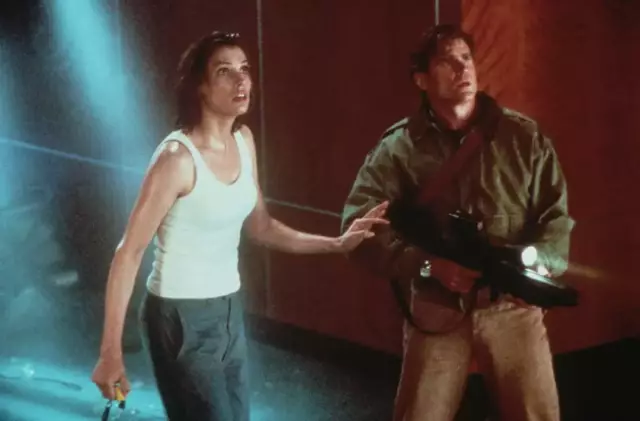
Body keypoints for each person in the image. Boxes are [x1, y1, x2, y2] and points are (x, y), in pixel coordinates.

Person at [91, 31, 388, 421]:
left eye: (244, 69)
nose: (241, 80)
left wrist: (337, 244)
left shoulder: (244, 141)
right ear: (199, 86)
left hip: (228, 309)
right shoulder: (177, 159)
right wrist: (110, 352)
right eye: (224, 71)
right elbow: (129, 252)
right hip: (179, 315)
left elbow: (261, 227)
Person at [341, 24, 575, 421]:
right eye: (446, 62)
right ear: (422, 79)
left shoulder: (523, 137)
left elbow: (555, 216)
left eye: (466, 58)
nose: (462, 68)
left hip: (510, 307)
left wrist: (538, 272)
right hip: (437, 305)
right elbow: (358, 227)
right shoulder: (400, 147)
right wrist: (428, 265)